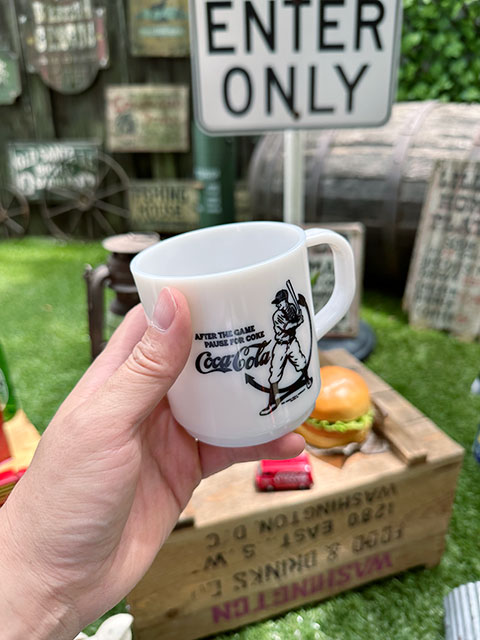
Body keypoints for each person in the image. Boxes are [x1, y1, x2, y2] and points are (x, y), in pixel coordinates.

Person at [0, 288, 305, 640]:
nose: (279, 307)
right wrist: (40, 578)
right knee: (278, 367)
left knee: (293, 361)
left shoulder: (288, 312)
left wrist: (40, 584)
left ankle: (290, 382)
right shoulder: (280, 313)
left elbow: (292, 322)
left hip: (282, 349)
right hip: (268, 356)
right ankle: (276, 390)